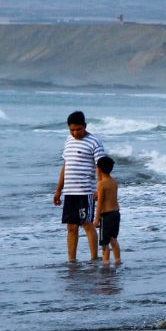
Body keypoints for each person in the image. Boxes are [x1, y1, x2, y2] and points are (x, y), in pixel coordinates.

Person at [53, 110, 106, 261]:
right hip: (69, 191)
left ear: (85, 126)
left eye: (78, 129)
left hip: (86, 191)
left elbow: (101, 168)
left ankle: (94, 259)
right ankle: (71, 261)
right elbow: (65, 166)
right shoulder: (68, 141)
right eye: (72, 130)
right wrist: (58, 190)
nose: (75, 133)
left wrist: (98, 188)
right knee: (71, 227)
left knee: (87, 224)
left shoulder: (94, 142)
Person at [94, 156, 122, 264]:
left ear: (99, 169)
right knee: (113, 239)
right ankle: (118, 260)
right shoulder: (114, 182)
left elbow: (100, 203)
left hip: (106, 215)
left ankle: (106, 265)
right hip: (116, 213)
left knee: (104, 243)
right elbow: (110, 197)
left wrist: (96, 219)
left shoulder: (101, 183)